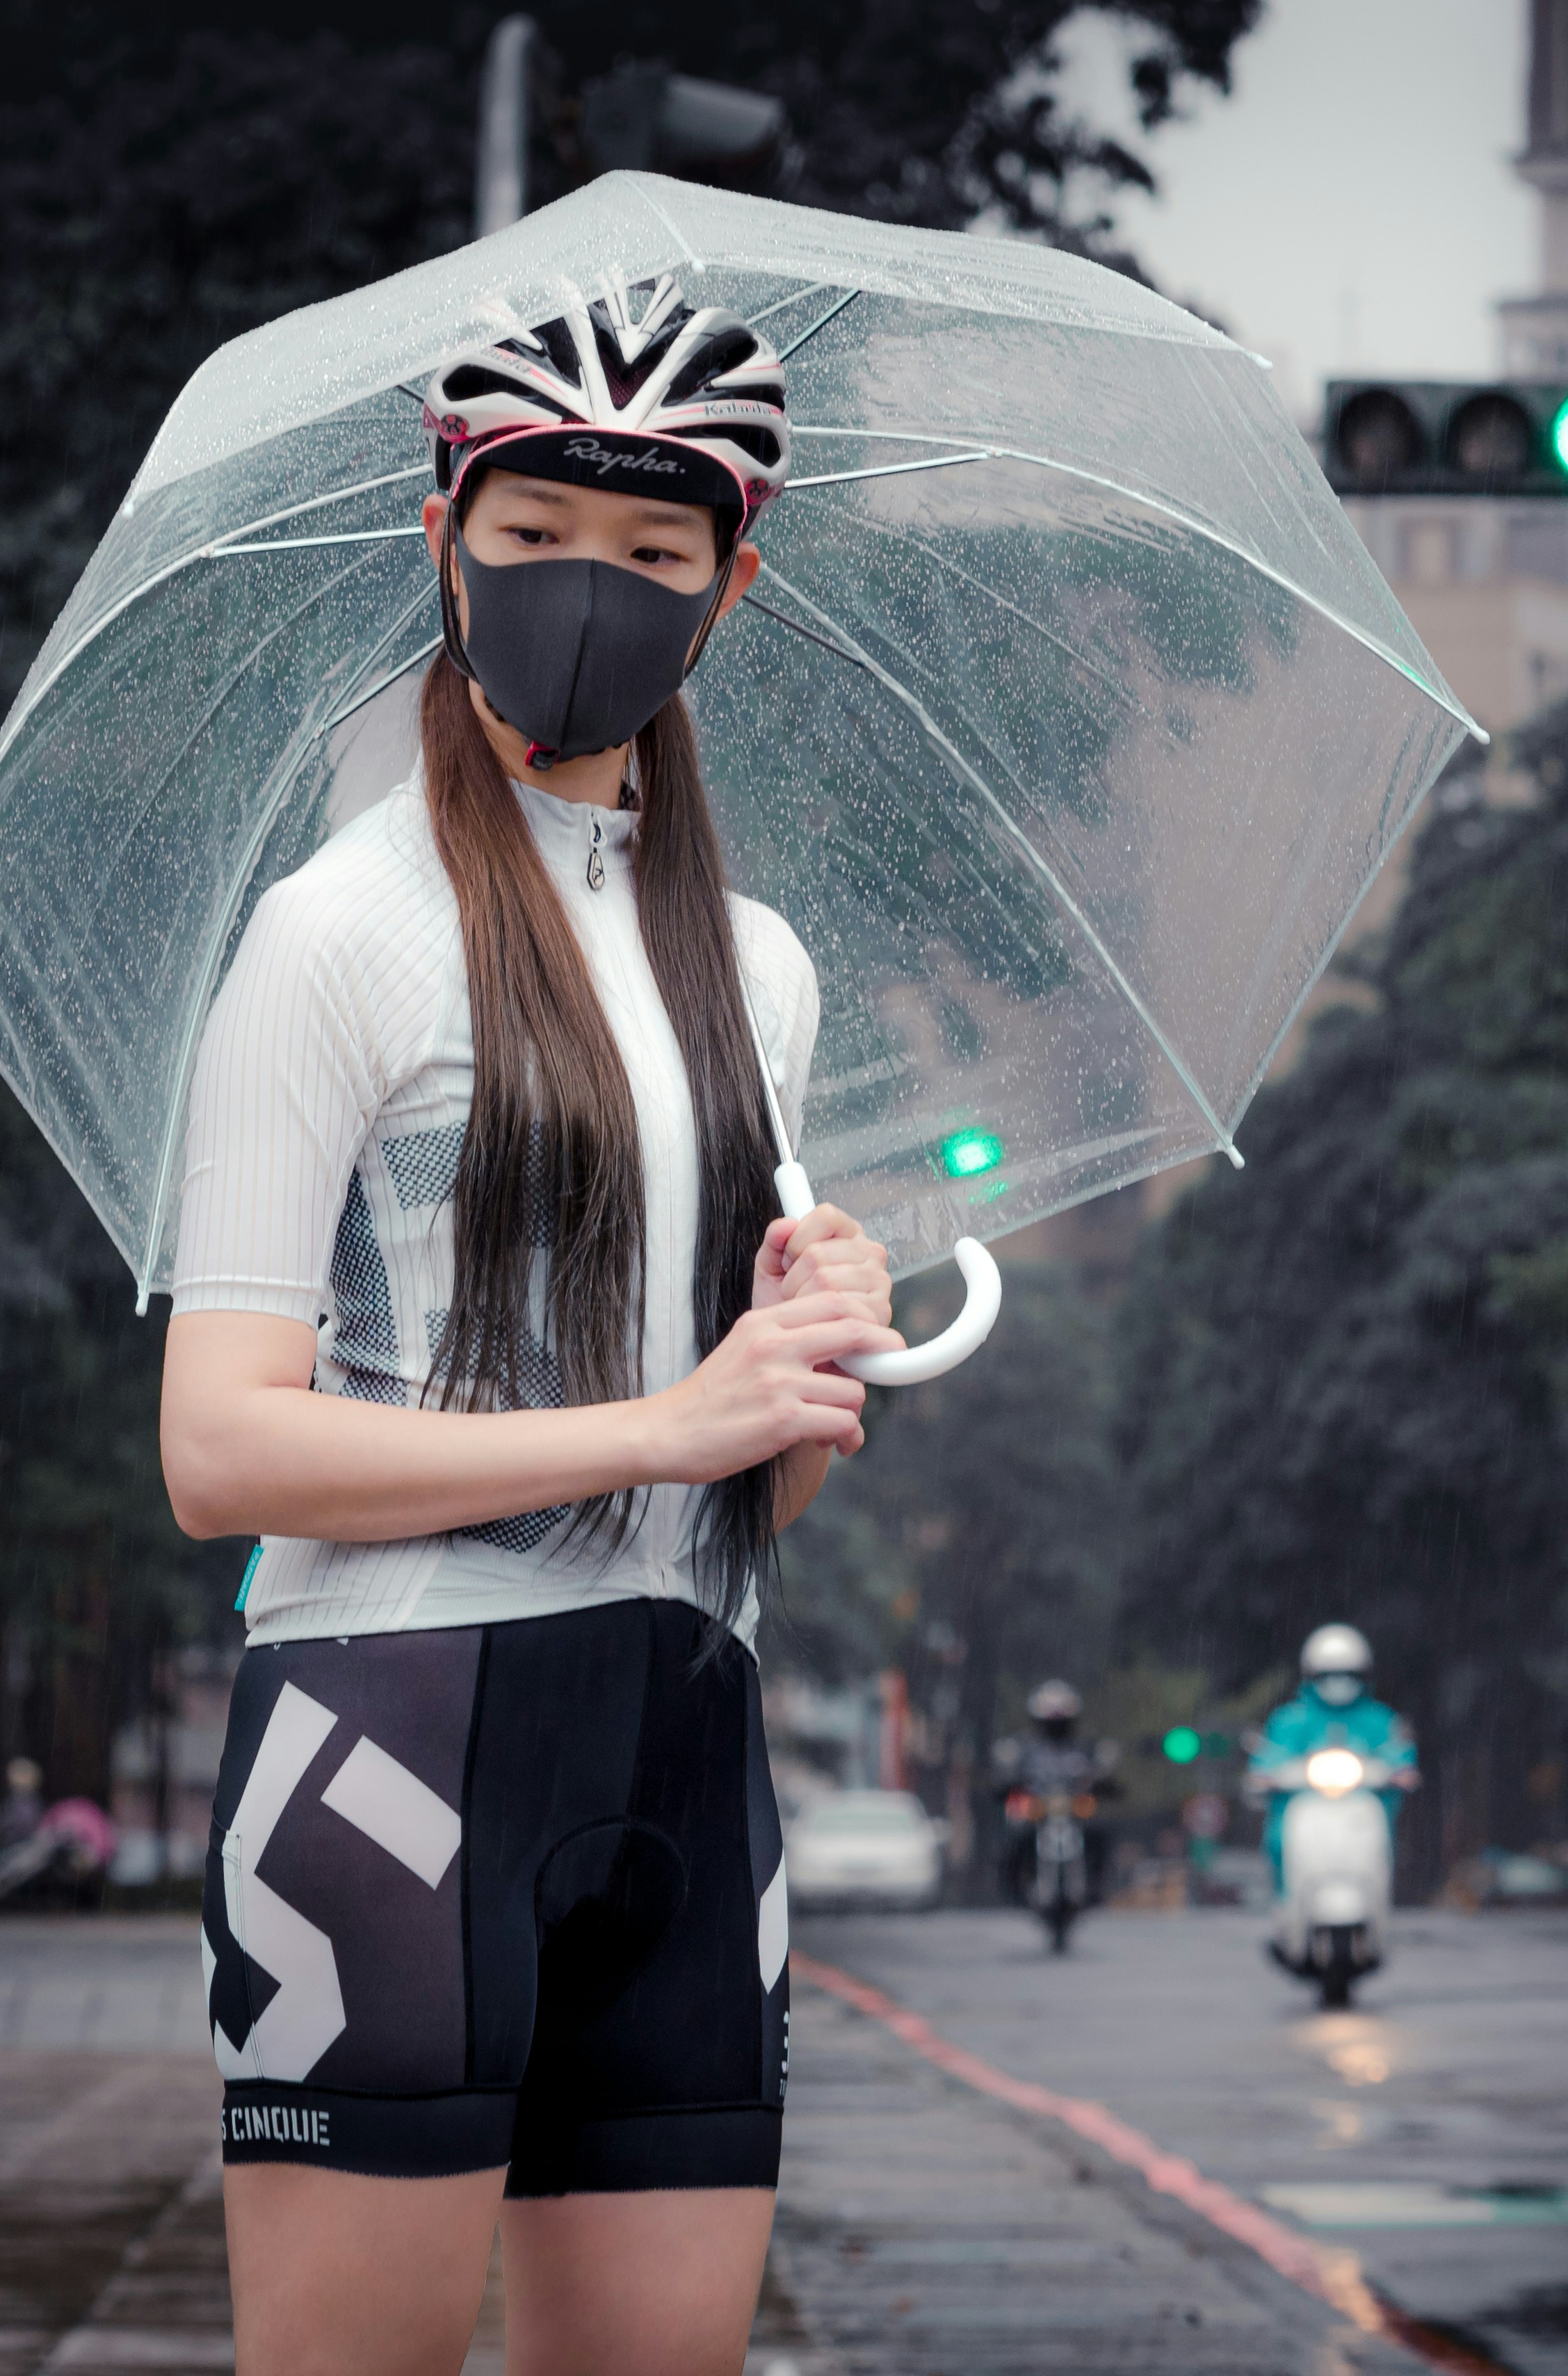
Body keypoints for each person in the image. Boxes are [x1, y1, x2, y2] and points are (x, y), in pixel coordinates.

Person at [158, 281, 902, 2376]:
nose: (593, 588)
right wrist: (672, 1421)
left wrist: (801, 1365)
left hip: (688, 1736)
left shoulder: (757, 967)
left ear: (732, 581)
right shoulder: (336, 933)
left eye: (656, 553)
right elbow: (219, 1447)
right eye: (536, 532)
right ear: (442, 532)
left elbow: (753, 1482)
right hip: (389, 1743)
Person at [1245, 1624, 1415, 1889]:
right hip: (1304, 1806)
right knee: (1280, 1840)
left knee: (1382, 1839)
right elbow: (1270, 1756)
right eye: (1327, 1675)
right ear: (1311, 1675)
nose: (1338, 1682)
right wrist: (1267, 1776)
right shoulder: (1290, 1720)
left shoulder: (1379, 1719)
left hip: (1360, 1810)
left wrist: (1399, 1772)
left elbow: (1398, 1753)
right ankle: (1286, 1898)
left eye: (1348, 1674)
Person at [992, 1679, 1119, 1901]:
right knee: (1015, 1840)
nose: (1056, 1728)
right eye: (1051, 1723)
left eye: (1062, 1722)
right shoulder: (1025, 1748)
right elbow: (1007, 1774)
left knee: (1100, 1835)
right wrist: (1008, 1785)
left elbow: (1103, 1772)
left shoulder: (1084, 1747)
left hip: (1074, 1813)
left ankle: (1097, 1885)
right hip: (1037, 1813)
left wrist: (1103, 1783)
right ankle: (1016, 1888)